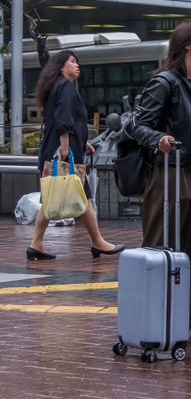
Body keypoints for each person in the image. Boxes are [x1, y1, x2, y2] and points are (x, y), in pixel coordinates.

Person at [133, 19, 191, 345]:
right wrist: (160, 139)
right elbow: (138, 126)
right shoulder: (164, 82)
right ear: (186, 44)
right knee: (160, 245)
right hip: (168, 170)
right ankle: (152, 320)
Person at [26, 51, 126, 261]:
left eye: (77, 62)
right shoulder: (65, 86)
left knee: (51, 197)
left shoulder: (57, 86)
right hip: (62, 152)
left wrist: (82, 142)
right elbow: (63, 117)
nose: (77, 65)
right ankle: (98, 242)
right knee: (84, 197)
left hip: (58, 150)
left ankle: (36, 244)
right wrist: (65, 146)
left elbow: (62, 120)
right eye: (72, 61)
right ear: (60, 66)